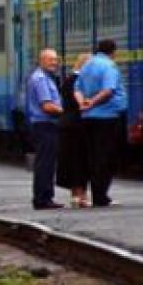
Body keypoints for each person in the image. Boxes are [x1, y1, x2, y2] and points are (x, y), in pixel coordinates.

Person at [75, 39, 127, 207]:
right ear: (113, 52)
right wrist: (92, 102)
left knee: (93, 156)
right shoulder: (109, 66)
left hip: (88, 117)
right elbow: (108, 90)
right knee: (106, 157)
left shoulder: (87, 65)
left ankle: (98, 193)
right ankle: (100, 195)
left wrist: (82, 103)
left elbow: (77, 88)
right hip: (107, 117)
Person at [26, 49, 64, 209]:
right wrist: (66, 112)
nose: (54, 63)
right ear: (41, 60)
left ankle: (45, 196)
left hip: (44, 125)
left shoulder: (44, 77)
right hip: (45, 125)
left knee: (47, 162)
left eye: (55, 59)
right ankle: (42, 198)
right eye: (50, 60)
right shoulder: (41, 79)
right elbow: (47, 106)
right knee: (45, 163)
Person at [56, 53, 91, 208]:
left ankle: (76, 195)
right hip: (78, 124)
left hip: (67, 124)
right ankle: (80, 195)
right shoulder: (78, 81)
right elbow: (80, 103)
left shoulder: (68, 80)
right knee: (80, 161)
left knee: (72, 160)